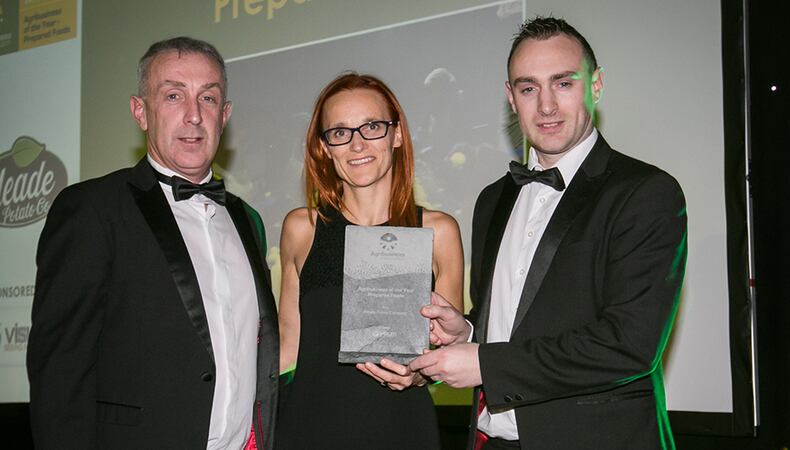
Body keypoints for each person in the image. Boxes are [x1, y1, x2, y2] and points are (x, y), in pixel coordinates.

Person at [410, 16, 687, 450]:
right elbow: (514, 322)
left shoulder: (645, 192)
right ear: (510, 97)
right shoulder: (492, 200)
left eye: (563, 83)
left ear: (595, 85)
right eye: (528, 88)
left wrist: (486, 363)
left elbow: (629, 345)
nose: (546, 106)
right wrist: (467, 332)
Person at [26, 37, 279, 449]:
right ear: (140, 111)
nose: (194, 116)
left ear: (225, 114)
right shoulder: (92, 209)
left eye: (209, 98)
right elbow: (60, 372)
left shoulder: (245, 220)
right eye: (174, 95)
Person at [276, 73, 464, 449]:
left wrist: (419, 376)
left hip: (401, 429)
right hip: (308, 430)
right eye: (340, 132)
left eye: (372, 126)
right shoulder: (302, 228)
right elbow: (287, 346)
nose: (357, 143)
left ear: (396, 135)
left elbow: (447, 351)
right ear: (325, 147)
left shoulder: (438, 231)